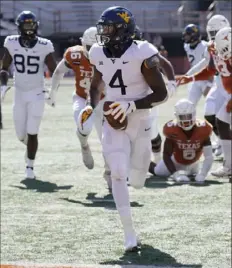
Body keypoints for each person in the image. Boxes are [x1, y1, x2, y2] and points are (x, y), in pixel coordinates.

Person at [80, 6, 168, 251]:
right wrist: (90, 105)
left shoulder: (142, 52)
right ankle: (129, 235)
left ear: (123, 30)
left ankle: (140, 175)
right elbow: (97, 83)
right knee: (118, 173)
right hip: (113, 117)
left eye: (108, 28)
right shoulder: (97, 52)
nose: (103, 33)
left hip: (139, 118)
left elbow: (161, 93)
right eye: (102, 28)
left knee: (138, 179)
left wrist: (133, 104)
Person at [0, 11, 57, 179]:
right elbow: (4, 67)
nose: (29, 29)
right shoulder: (11, 42)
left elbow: (55, 71)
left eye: (32, 25)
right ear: (19, 27)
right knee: (20, 135)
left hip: (37, 93)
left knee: (32, 131)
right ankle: (31, 149)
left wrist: (52, 92)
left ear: (36, 26)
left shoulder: (44, 45)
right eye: (26, 25)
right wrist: (3, 86)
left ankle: (30, 166)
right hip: (19, 92)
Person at [47, 27, 107, 173]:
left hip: (102, 100)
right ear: (82, 43)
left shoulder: (108, 55)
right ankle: (84, 146)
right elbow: (59, 71)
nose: (93, 50)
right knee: (84, 128)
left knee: (106, 140)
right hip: (81, 97)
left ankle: (110, 173)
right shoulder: (75, 54)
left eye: (96, 46)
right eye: (90, 47)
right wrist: (52, 93)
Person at [176, 26, 232, 180]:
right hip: (229, 93)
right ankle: (229, 166)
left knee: (222, 120)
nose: (224, 53)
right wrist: (191, 77)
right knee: (221, 121)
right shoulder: (215, 48)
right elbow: (210, 69)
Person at [133, 25, 176, 163]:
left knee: (150, 130)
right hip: (128, 96)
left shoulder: (144, 50)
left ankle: (157, 160)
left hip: (149, 95)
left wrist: (171, 82)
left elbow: (165, 63)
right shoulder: (116, 51)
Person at [149, 99, 213, 183]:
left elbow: (209, 156)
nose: (185, 120)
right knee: (158, 172)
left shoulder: (204, 128)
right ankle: (144, 163)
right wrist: (176, 174)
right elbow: (166, 155)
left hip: (193, 164)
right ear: (177, 116)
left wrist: (202, 174)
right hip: (175, 162)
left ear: (194, 115)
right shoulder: (171, 129)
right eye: (182, 117)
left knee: (194, 175)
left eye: (188, 116)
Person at [182, 24, 214, 106]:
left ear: (194, 35)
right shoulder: (186, 46)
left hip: (207, 78)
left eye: (187, 35)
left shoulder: (206, 46)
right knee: (190, 104)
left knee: (212, 104)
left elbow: (211, 65)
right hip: (195, 78)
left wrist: (209, 84)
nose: (185, 37)